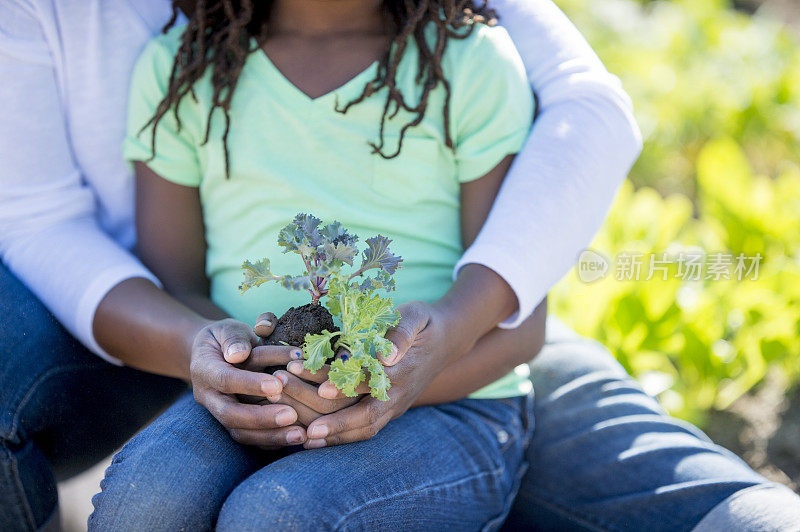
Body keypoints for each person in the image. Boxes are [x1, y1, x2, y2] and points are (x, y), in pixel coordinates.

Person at [1, 0, 793, 530]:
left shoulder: (470, 59)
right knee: (146, 498)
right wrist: (239, 365)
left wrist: (389, 382)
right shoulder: (185, 70)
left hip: (453, 397)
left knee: (277, 517)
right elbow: (174, 280)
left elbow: (520, 326)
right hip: (251, 391)